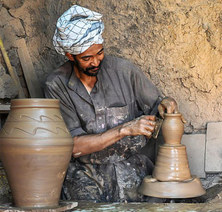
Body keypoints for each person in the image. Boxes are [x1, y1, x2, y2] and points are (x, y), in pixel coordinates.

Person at [45, 5, 179, 202]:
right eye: (86, 58)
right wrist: (124, 130)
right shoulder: (56, 85)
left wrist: (165, 105)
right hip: (85, 175)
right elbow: (72, 146)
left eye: (99, 53)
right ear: (70, 56)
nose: (96, 62)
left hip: (131, 167)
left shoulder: (124, 71)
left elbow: (158, 108)